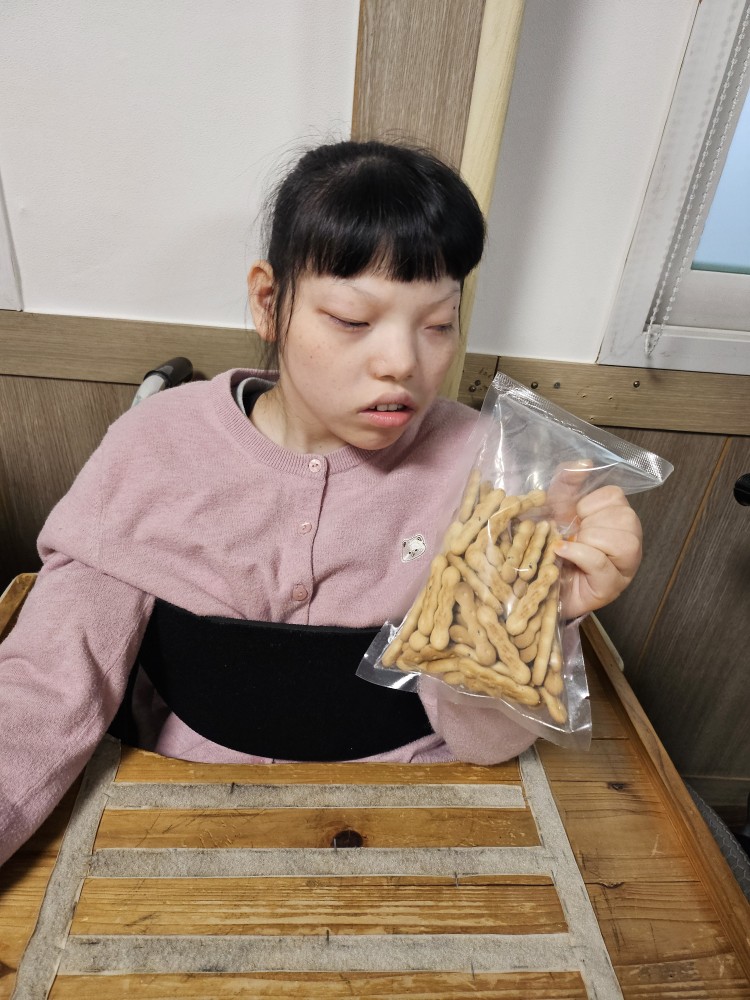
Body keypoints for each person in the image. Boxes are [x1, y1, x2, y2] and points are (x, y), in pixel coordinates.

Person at [0, 140, 642, 866]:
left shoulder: (489, 470)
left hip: (411, 812)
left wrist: (539, 614)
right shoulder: (156, 445)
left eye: (438, 324)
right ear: (269, 302)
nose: (403, 363)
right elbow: (45, 689)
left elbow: (484, 743)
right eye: (352, 320)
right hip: (181, 812)